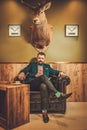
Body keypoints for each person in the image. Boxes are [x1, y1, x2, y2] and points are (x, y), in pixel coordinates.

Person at [17, 52, 72, 123]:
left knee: (44, 86)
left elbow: (55, 71)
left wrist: (60, 72)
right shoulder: (32, 65)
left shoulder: (47, 66)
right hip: (33, 83)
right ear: (37, 58)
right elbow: (25, 70)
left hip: (41, 85)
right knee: (43, 77)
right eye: (39, 58)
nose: (40, 59)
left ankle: (44, 113)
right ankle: (58, 94)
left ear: (44, 59)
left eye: (42, 58)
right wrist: (22, 73)